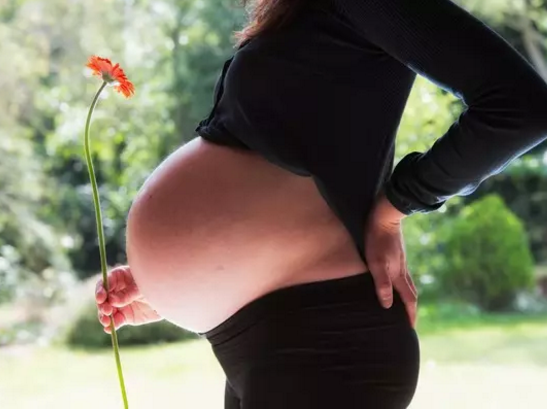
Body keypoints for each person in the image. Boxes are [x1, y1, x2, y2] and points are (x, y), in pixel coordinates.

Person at [95, 0, 547, 407]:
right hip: (266, 334)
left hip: (322, 343)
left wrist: (396, 206)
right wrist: (170, 289)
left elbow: (520, 108)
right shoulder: (303, 17)